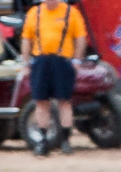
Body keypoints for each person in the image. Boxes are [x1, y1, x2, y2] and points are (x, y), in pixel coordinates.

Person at [20, 0, 87, 157]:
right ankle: (42, 140)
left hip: (62, 61)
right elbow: (26, 39)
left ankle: (65, 140)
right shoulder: (34, 13)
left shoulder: (71, 13)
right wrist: (25, 62)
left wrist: (77, 60)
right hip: (40, 61)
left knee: (64, 101)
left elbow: (81, 37)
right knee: (41, 102)